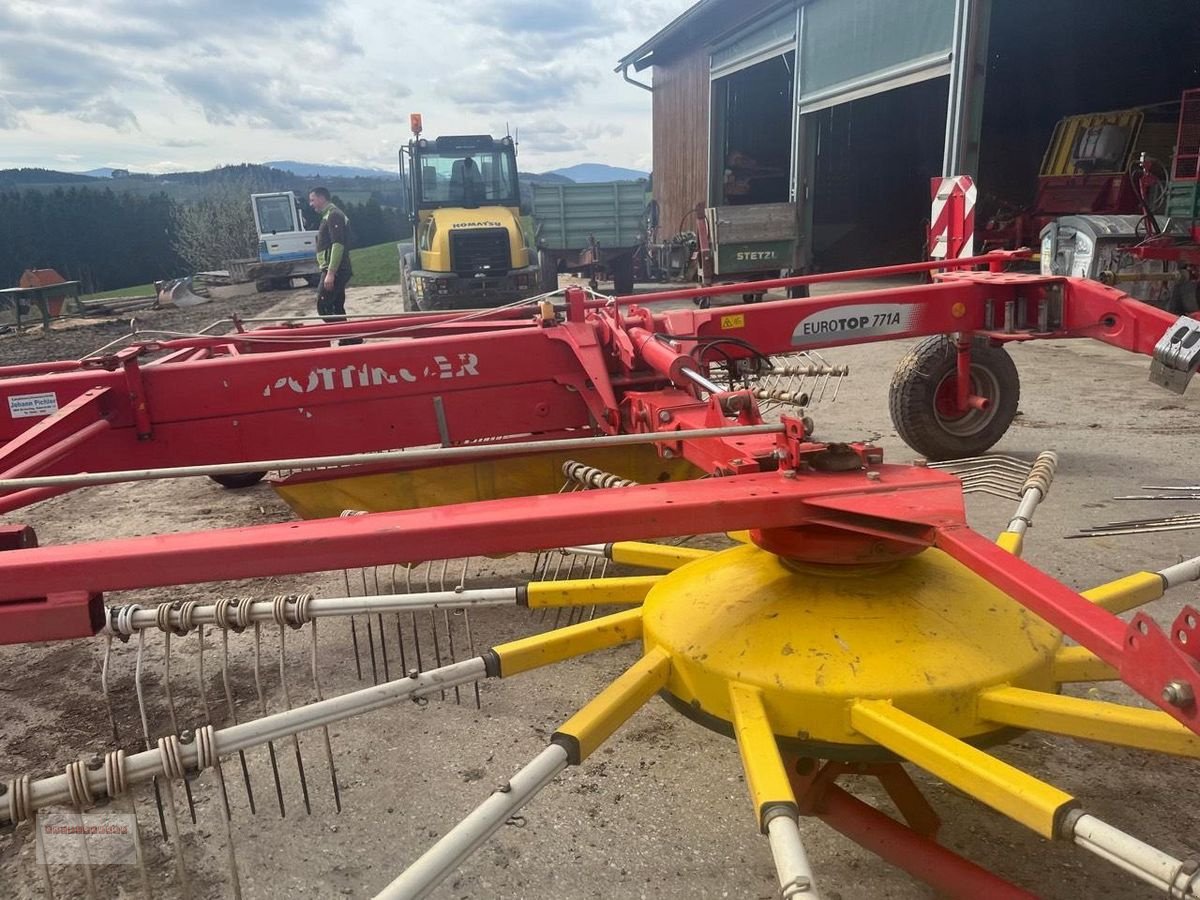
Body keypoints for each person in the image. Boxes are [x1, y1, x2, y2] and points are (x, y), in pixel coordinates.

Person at [308, 187, 360, 343]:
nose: (311, 204)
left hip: (336, 270)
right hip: (337, 269)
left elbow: (338, 244)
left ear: (322, 198)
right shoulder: (330, 215)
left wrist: (331, 272)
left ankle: (351, 339)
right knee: (337, 307)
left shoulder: (334, 215)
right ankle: (348, 342)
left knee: (324, 307)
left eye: (312, 200)